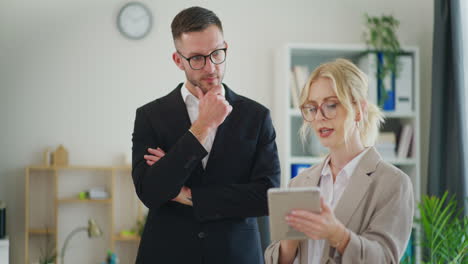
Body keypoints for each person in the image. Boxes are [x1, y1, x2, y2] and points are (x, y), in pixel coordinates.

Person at [131, 6, 280, 264]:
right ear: (178, 60)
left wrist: (189, 196)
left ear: (225, 48)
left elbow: (267, 196)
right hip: (167, 255)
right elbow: (151, 192)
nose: (211, 67)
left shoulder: (257, 116)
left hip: (235, 256)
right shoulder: (150, 116)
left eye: (216, 54)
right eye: (197, 58)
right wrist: (202, 128)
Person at [264, 59, 414, 264]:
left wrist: (339, 236)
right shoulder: (299, 183)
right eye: (312, 108)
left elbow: (385, 258)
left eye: (331, 105)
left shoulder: (393, 183)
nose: (319, 117)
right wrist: (288, 246)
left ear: (359, 109)